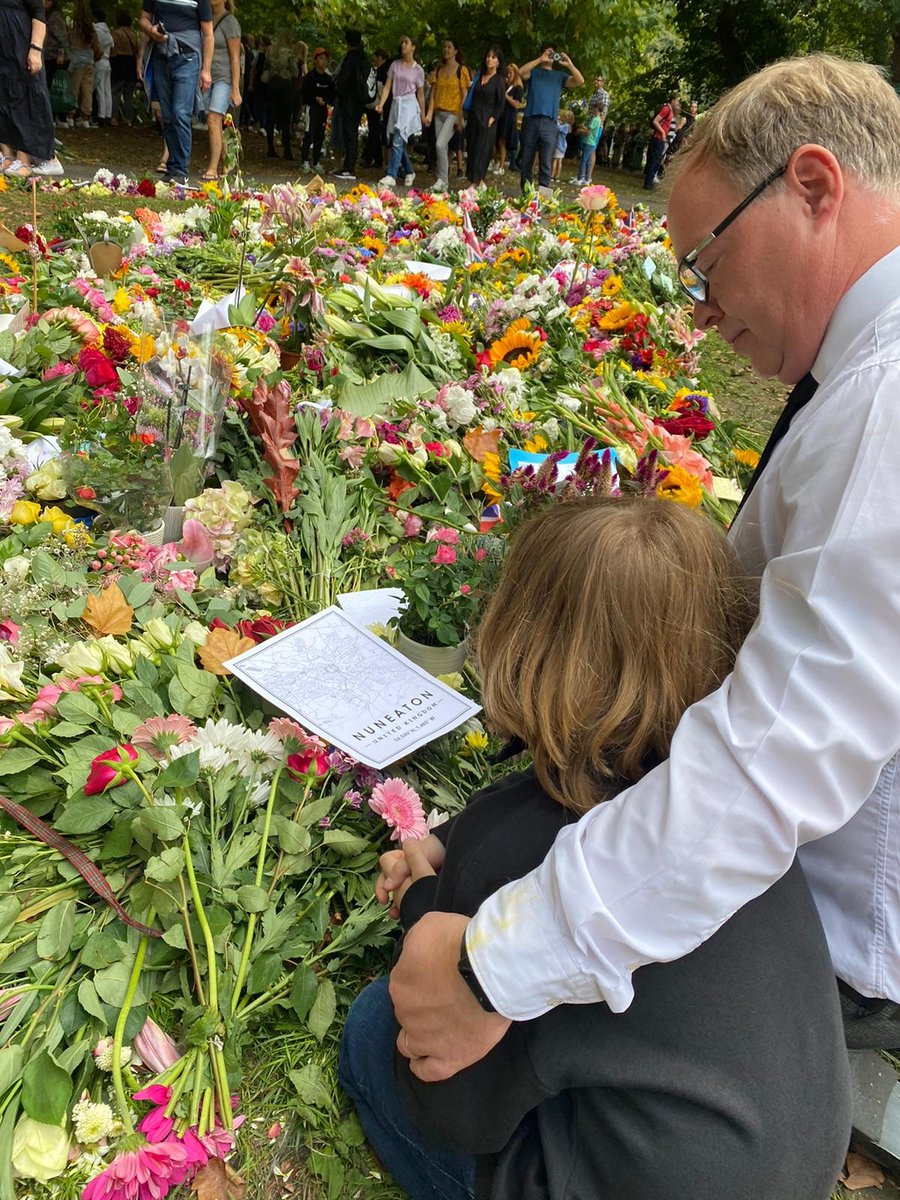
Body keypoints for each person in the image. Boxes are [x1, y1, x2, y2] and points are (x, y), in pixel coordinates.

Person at [389, 52, 900, 1089]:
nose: (701, 314)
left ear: (811, 187)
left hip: (830, 940)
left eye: (706, 261)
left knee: (386, 1045)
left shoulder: (886, 401)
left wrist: (493, 969)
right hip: (795, 884)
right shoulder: (859, 368)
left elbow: (766, 766)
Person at [341, 495, 852, 1200]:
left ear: (519, 636)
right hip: (780, 1161)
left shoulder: (515, 863)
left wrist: (427, 905)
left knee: (373, 1031)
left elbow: (454, 1105)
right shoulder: (739, 816)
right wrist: (449, 851)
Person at [140, 0, 213, 185]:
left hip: (188, 58)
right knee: (168, 115)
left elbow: (208, 34)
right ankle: (172, 168)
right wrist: (152, 31)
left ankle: (180, 169)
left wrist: (206, 69)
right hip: (161, 56)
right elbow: (143, 19)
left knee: (181, 112)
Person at [0, 0, 62, 176]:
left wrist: (35, 49)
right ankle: (7, 156)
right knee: (4, 98)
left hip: (20, 43)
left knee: (25, 98)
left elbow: (38, 13)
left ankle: (25, 160)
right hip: (4, 50)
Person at [518, 43, 583, 192]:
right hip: (531, 119)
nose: (550, 55)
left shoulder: (559, 76)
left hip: (550, 122)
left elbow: (579, 81)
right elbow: (520, 73)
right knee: (527, 158)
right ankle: (526, 195)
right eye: (547, 52)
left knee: (546, 161)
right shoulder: (534, 72)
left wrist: (569, 65)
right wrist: (540, 59)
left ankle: (543, 197)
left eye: (552, 53)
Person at [375, 34, 424, 190]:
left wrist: (423, 114)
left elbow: (420, 94)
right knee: (398, 140)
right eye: (402, 42)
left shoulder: (418, 70)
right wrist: (381, 104)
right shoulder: (395, 65)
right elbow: (388, 86)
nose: (403, 45)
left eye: (406, 42)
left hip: (409, 105)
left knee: (397, 139)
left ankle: (392, 175)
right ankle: (409, 171)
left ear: (413, 47)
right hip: (397, 104)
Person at [424, 39, 469, 193]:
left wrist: (460, 115)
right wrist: (429, 114)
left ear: (456, 51)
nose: (446, 49)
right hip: (439, 113)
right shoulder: (438, 70)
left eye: (450, 47)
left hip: (453, 113)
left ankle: (442, 180)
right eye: (444, 47)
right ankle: (443, 181)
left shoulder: (461, 70)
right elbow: (433, 95)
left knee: (440, 145)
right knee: (441, 148)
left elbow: (465, 95)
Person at [200, 0, 239, 178]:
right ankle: (226, 161)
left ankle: (212, 168)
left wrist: (236, 88)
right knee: (214, 123)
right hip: (207, 77)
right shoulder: (204, 17)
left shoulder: (230, 22)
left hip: (224, 78)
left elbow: (235, 58)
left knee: (214, 119)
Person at [332, 27, 369, 181]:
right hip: (360, 101)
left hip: (349, 101)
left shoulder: (350, 58)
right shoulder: (364, 58)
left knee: (349, 133)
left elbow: (343, 81)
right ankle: (350, 164)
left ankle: (349, 167)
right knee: (352, 132)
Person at [464, 46, 504, 188]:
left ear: (498, 62)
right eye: (488, 56)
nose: (490, 59)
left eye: (493, 57)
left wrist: (493, 118)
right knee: (472, 149)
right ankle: (478, 182)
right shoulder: (479, 76)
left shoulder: (499, 80)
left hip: (487, 120)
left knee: (482, 151)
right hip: (474, 118)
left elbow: (500, 103)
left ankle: (475, 182)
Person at [300, 46, 333, 172]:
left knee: (320, 135)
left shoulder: (328, 79)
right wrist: (315, 98)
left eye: (325, 59)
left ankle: (316, 161)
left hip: (322, 110)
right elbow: (305, 93)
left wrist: (326, 100)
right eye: (321, 58)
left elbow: (331, 94)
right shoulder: (310, 77)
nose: (324, 61)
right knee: (309, 134)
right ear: (315, 60)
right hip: (311, 109)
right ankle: (304, 161)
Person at [68, 0, 100, 128]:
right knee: (87, 90)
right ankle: (85, 118)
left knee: (74, 89)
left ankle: (70, 115)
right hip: (89, 59)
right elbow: (95, 45)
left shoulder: (73, 25)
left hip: (76, 59)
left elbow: (68, 40)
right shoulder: (91, 27)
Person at [492, 62, 523, 175]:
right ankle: (495, 161)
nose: (508, 75)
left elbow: (516, 104)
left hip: (509, 117)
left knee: (502, 141)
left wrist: (506, 97)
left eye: (510, 73)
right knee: (496, 139)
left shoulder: (518, 88)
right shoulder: (505, 86)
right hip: (500, 115)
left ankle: (501, 165)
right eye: (507, 73)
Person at [643, 91, 679, 188]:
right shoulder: (666, 109)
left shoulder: (670, 110)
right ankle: (648, 183)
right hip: (658, 138)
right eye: (677, 101)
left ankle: (649, 181)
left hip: (662, 138)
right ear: (672, 100)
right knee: (655, 160)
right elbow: (656, 121)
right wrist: (662, 132)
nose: (678, 103)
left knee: (657, 160)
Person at [361, 47, 388, 169]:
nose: (375, 60)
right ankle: (377, 159)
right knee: (375, 132)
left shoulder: (381, 72)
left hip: (376, 105)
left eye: (377, 58)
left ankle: (368, 157)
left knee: (374, 132)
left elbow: (382, 90)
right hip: (377, 105)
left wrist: (381, 104)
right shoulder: (380, 71)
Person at [110, 9, 138, 124]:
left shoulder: (116, 34)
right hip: (131, 63)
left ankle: (113, 117)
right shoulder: (133, 34)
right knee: (128, 94)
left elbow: (112, 49)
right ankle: (129, 118)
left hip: (119, 63)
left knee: (116, 92)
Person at [572, 98, 603, 184]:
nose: (592, 110)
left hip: (589, 142)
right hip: (592, 142)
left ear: (596, 109)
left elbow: (588, 132)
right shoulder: (599, 120)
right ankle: (586, 178)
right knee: (588, 161)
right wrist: (583, 127)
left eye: (593, 108)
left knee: (583, 160)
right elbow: (591, 130)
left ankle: (580, 178)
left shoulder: (595, 119)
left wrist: (580, 131)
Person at [92, 6, 114, 125]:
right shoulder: (108, 32)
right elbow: (111, 45)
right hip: (107, 62)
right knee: (107, 90)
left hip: (99, 61)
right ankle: (108, 115)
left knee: (100, 89)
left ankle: (100, 116)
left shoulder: (96, 30)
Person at [550, 105, 570, 181]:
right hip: (562, 146)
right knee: (559, 161)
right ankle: (556, 175)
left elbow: (558, 129)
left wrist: (556, 121)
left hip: (559, 145)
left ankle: (552, 175)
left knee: (555, 160)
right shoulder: (566, 125)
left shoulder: (565, 126)